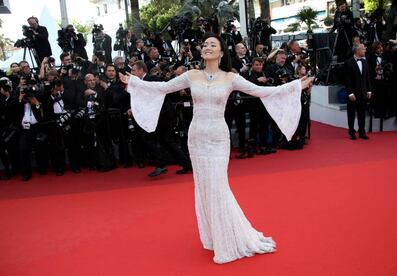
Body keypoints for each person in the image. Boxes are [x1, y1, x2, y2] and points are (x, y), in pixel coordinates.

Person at [119, 32, 313, 264]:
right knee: (204, 187)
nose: (207, 47)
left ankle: (228, 240)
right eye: (205, 44)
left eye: (213, 45)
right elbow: (161, 88)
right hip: (197, 137)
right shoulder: (191, 75)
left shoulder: (231, 78)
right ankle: (213, 235)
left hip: (218, 139)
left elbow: (262, 92)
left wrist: (294, 87)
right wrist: (134, 83)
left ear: (221, 52)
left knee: (218, 186)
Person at [344, 43, 372, 140]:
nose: (365, 51)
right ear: (357, 51)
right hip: (353, 93)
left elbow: (367, 77)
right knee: (351, 113)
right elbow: (346, 80)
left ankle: (362, 131)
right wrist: (350, 93)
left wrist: (369, 90)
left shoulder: (365, 62)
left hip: (363, 92)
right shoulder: (348, 62)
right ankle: (351, 131)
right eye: (363, 49)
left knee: (362, 113)